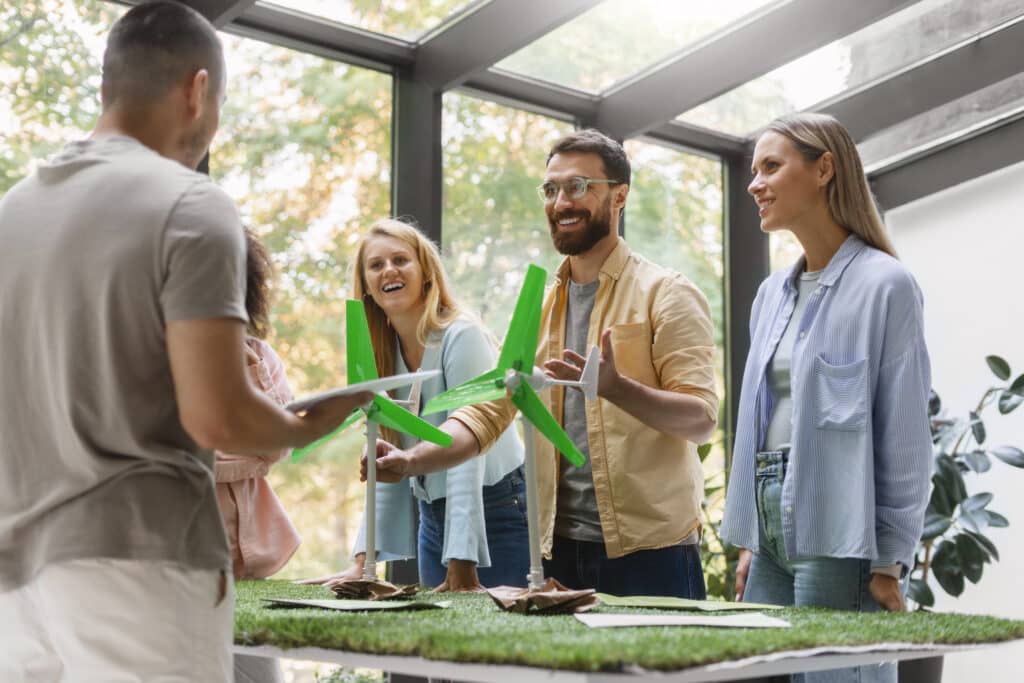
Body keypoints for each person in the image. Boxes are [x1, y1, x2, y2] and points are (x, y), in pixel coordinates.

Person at [0, 4, 367, 680]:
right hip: (141, 562)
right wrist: (302, 422)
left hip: (17, 578)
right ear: (198, 91)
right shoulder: (191, 205)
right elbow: (219, 414)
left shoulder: (13, 210)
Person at [364, 130, 719, 598]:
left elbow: (701, 419)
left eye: (577, 186)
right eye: (551, 189)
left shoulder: (666, 294)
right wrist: (412, 459)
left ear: (620, 195)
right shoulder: (542, 304)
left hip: (652, 555)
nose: (560, 202)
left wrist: (617, 388)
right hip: (557, 554)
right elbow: (488, 412)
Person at [720, 113, 932, 683]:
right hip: (768, 532)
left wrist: (891, 560)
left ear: (824, 169)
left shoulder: (886, 284)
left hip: (844, 532)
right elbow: (758, 422)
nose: (754, 183)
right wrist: (750, 541)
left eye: (771, 166)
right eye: (752, 170)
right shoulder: (770, 295)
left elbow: (906, 437)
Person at [303, 218, 529, 591]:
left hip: (498, 511)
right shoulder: (379, 353)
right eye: (376, 265)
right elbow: (386, 462)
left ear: (425, 271)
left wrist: (462, 566)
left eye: (400, 260)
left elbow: (465, 455)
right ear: (368, 287)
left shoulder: (462, 335)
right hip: (434, 518)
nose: (388, 270)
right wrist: (364, 563)